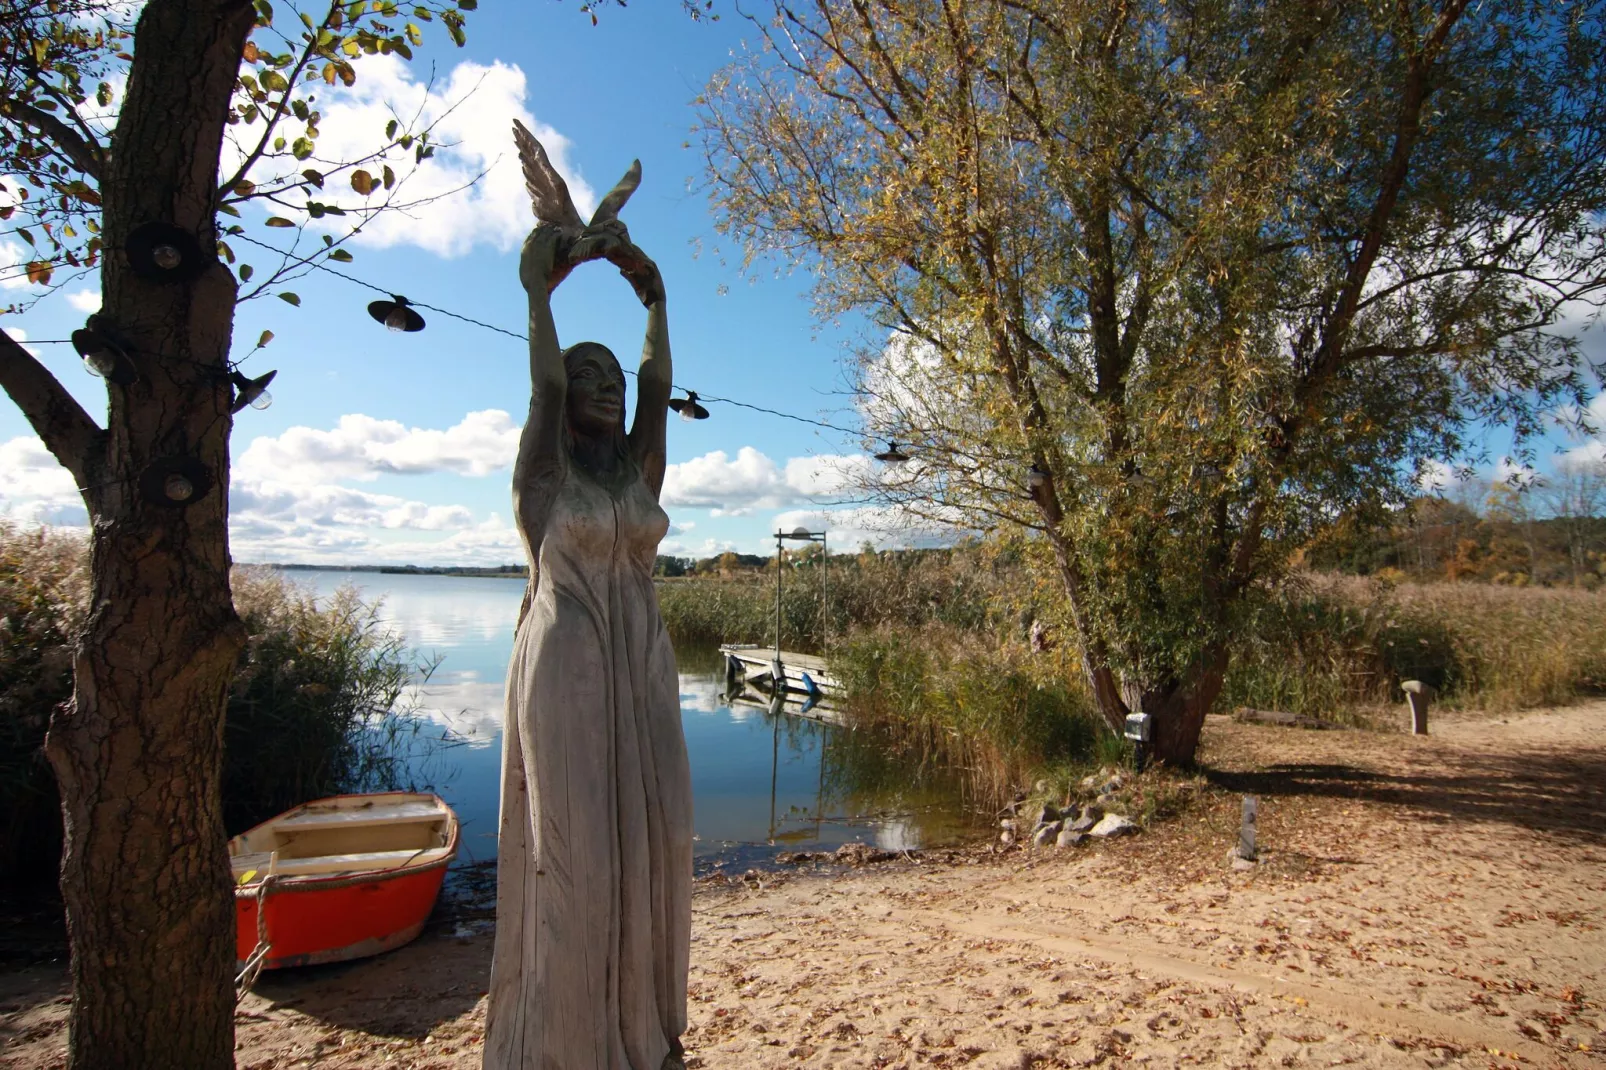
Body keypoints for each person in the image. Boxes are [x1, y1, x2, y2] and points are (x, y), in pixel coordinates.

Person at [482, 220, 692, 1070]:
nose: (604, 386)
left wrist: (655, 297)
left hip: (643, 660)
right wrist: (539, 291)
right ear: (563, 397)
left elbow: (657, 385)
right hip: (564, 660)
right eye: (586, 376)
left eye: (610, 377)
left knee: (665, 838)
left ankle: (643, 1035)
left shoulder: (637, 474)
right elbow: (537, 383)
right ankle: (563, 1047)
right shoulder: (545, 477)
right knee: (575, 859)